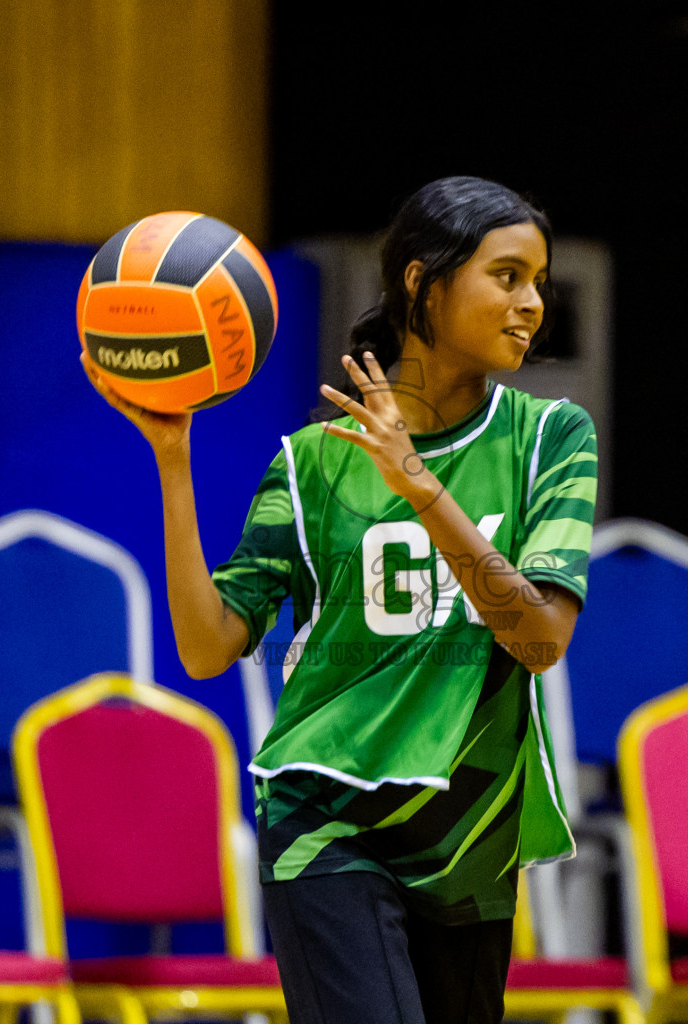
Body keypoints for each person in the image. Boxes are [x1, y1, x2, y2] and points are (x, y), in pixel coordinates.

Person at [86, 176, 597, 1024]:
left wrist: (421, 487)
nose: (532, 303)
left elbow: (540, 640)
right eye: (507, 277)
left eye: (537, 282)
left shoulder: (552, 438)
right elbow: (208, 648)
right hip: (325, 817)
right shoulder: (315, 460)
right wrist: (172, 459)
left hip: (469, 834)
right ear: (422, 280)